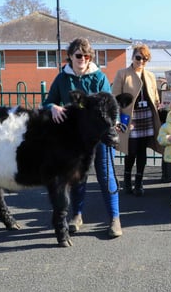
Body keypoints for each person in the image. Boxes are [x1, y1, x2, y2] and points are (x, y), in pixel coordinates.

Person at [43, 37, 122, 238]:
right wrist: (53, 107)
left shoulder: (99, 77)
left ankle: (114, 219)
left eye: (87, 56)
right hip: (75, 139)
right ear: (70, 56)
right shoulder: (62, 79)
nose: (83, 59)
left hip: (100, 136)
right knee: (79, 178)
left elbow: (109, 104)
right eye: (79, 55)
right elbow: (48, 102)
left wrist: (113, 124)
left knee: (106, 176)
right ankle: (77, 215)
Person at [112, 44, 163, 197]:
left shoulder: (150, 75)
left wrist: (159, 103)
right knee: (130, 150)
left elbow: (154, 96)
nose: (141, 61)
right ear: (133, 57)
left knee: (142, 150)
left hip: (147, 116)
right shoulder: (122, 74)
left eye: (145, 59)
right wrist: (118, 119)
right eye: (138, 58)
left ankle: (139, 182)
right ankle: (127, 180)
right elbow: (115, 98)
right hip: (130, 118)